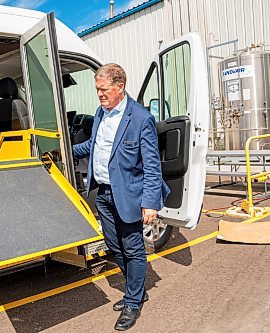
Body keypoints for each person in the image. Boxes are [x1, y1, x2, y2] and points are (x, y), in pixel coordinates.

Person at [73, 63, 170, 331]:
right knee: (113, 245)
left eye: (104, 90)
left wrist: (150, 202)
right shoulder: (101, 113)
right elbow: (95, 146)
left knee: (133, 248)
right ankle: (136, 291)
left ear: (120, 87)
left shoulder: (140, 118)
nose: (100, 95)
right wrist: (66, 150)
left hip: (129, 195)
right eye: (97, 90)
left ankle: (133, 302)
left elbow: (152, 164)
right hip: (104, 192)